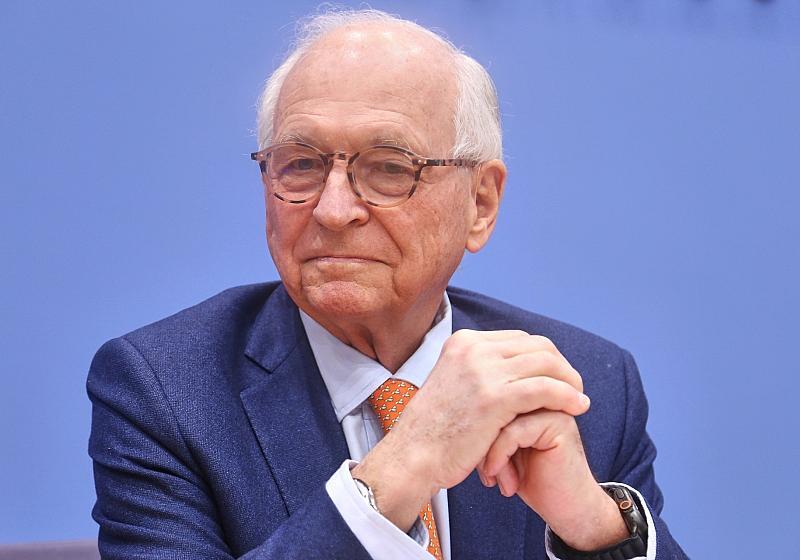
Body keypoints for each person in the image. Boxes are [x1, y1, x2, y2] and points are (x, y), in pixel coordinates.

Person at [88, 9, 688, 560]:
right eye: (301, 164)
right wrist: (406, 462)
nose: (333, 209)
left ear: (480, 204)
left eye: (390, 168)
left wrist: (596, 531)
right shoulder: (165, 390)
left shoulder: (581, 384)